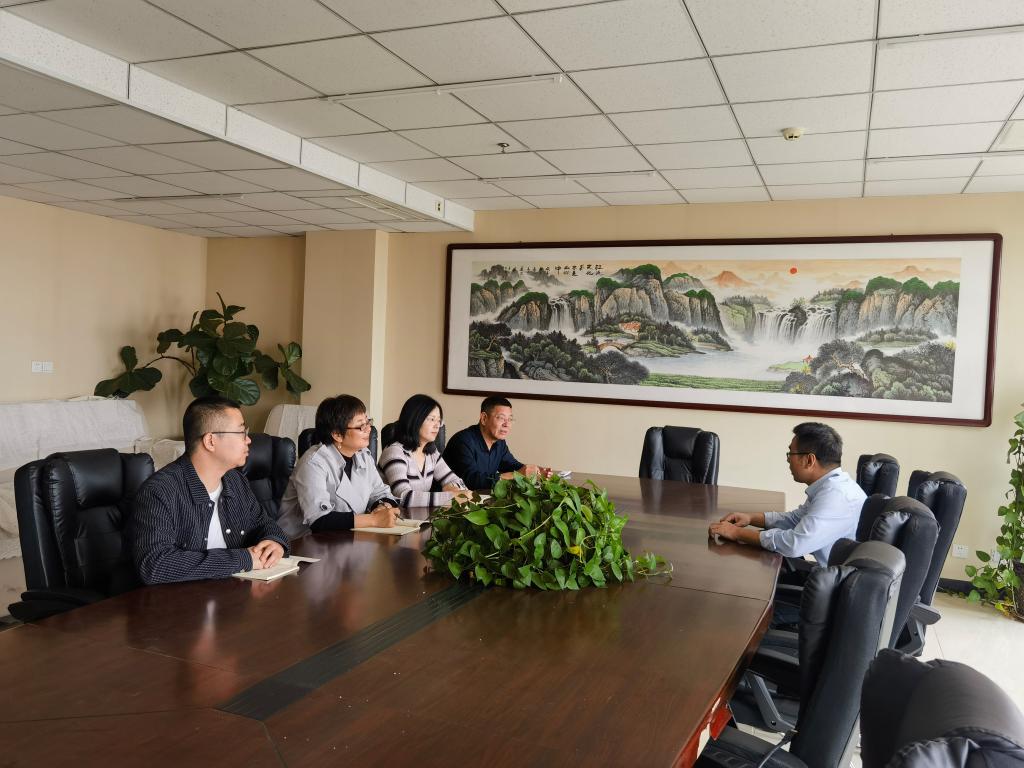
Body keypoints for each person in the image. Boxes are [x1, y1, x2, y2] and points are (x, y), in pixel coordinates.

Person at [131, 396, 290, 585]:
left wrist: (275, 542)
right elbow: (155, 565)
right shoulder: (160, 491)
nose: (248, 440)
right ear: (210, 441)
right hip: (179, 600)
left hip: (232, 594)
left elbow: (263, 523)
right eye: (241, 432)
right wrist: (242, 559)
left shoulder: (235, 480)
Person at [708, 422, 865, 565]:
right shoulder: (831, 486)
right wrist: (750, 518)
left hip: (832, 582)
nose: (788, 460)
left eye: (791, 454)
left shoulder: (836, 496)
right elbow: (795, 519)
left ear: (809, 460)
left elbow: (794, 544)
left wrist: (737, 533)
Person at [278, 394, 399, 539]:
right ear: (337, 434)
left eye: (368, 422)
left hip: (345, 538)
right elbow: (319, 520)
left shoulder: (363, 456)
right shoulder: (313, 463)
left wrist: (382, 506)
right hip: (303, 542)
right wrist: (374, 520)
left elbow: (380, 493)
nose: (369, 429)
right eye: (361, 425)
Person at [441, 395, 551, 491]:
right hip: (447, 503)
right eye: (501, 418)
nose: (506, 424)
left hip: (479, 500)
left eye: (510, 419)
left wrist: (535, 472)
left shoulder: (499, 443)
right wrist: (516, 475)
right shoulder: (463, 441)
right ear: (484, 418)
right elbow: (471, 481)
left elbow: (512, 466)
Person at [379, 394, 470, 508]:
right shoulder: (394, 452)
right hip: (395, 517)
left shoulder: (431, 453)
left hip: (419, 516)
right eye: (432, 419)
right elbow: (403, 497)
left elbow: (455, 480)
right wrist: (449, 497)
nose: (437, 426)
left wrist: (453, 487)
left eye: (439, 420)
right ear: (415, 419)